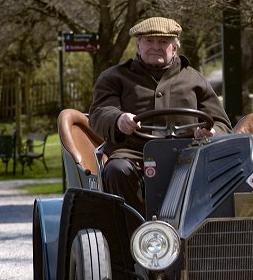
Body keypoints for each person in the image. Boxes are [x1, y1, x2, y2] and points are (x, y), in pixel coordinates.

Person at [89, 16, 232, 213]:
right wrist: (119, 120)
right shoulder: (115, 77)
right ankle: (136, 238)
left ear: (174, 47)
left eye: (163, 42)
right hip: (134, 156)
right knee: (117, 170)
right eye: (149, 41)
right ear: (138, 45)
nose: (155, 46)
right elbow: (100, 112)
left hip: (188, 157)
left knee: (224, 171)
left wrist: (212, 132)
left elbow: (221, 122)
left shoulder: (194, 79)